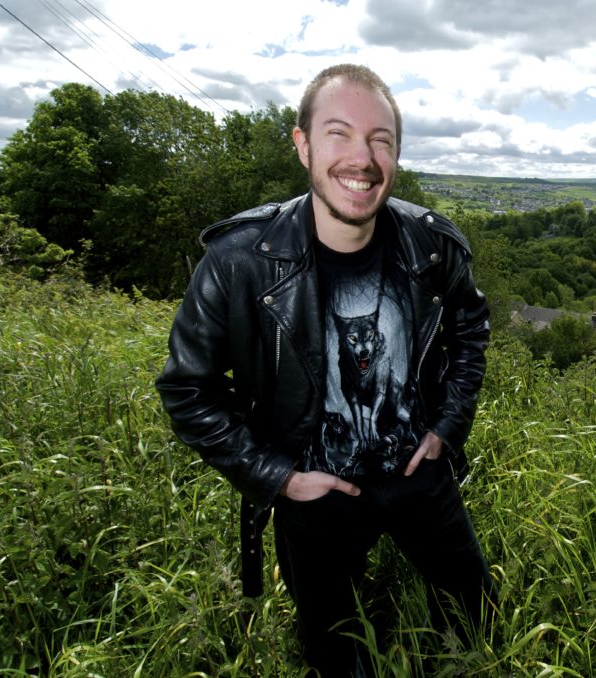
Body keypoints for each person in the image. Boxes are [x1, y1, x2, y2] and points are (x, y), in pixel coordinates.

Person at [156, 63, 495, 675]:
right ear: (302, 143)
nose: (362, 159)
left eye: (380, 140)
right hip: (313, 494)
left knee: (479, 618)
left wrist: (448, 424)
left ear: (395, 154)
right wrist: (279, 478)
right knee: (337, 655)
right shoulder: (239, 261)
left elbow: (471, 328)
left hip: (419, 473)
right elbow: (188, 389)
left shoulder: (432, 245)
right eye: (338, 133)